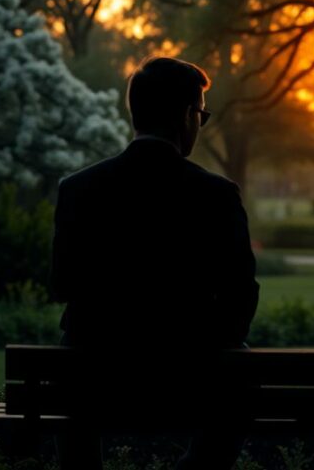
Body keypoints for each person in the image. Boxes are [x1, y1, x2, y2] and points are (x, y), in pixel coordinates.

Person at [50, 56, 260, 470]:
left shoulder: (78, 189)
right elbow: (241, 293)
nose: (200, 124)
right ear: (185, 115)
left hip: (95, 379)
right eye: (201, 114)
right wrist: (210, 340)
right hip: (191, 379)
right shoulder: (216, 195)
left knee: (71, 362)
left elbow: (62, 285)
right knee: (240, 372)